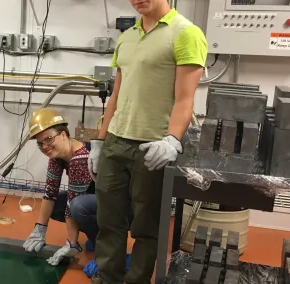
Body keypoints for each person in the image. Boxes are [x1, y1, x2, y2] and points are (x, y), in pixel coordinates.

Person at [87, 0, 207, 283]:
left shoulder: (186, 33)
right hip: (116, 141)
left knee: (146, 225)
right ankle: (108, 278)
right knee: (108, 222)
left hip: (152, 146)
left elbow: (185, 99)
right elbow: (115, 97)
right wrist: (100, 142)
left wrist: (171, 140)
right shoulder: (127, 37)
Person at [21, 108, 100, 266]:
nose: (44, 146)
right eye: (40, 143)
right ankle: (96, 235)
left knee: (78, 206)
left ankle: (106, 247)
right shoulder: (57, 156)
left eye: (49, 139)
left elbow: (73, 203)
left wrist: (72, 243)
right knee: (57, 204)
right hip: (97, 201)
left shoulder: (81, 156)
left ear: (63, 135)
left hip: (121, 207)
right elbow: (49, 193)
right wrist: (40, 228)